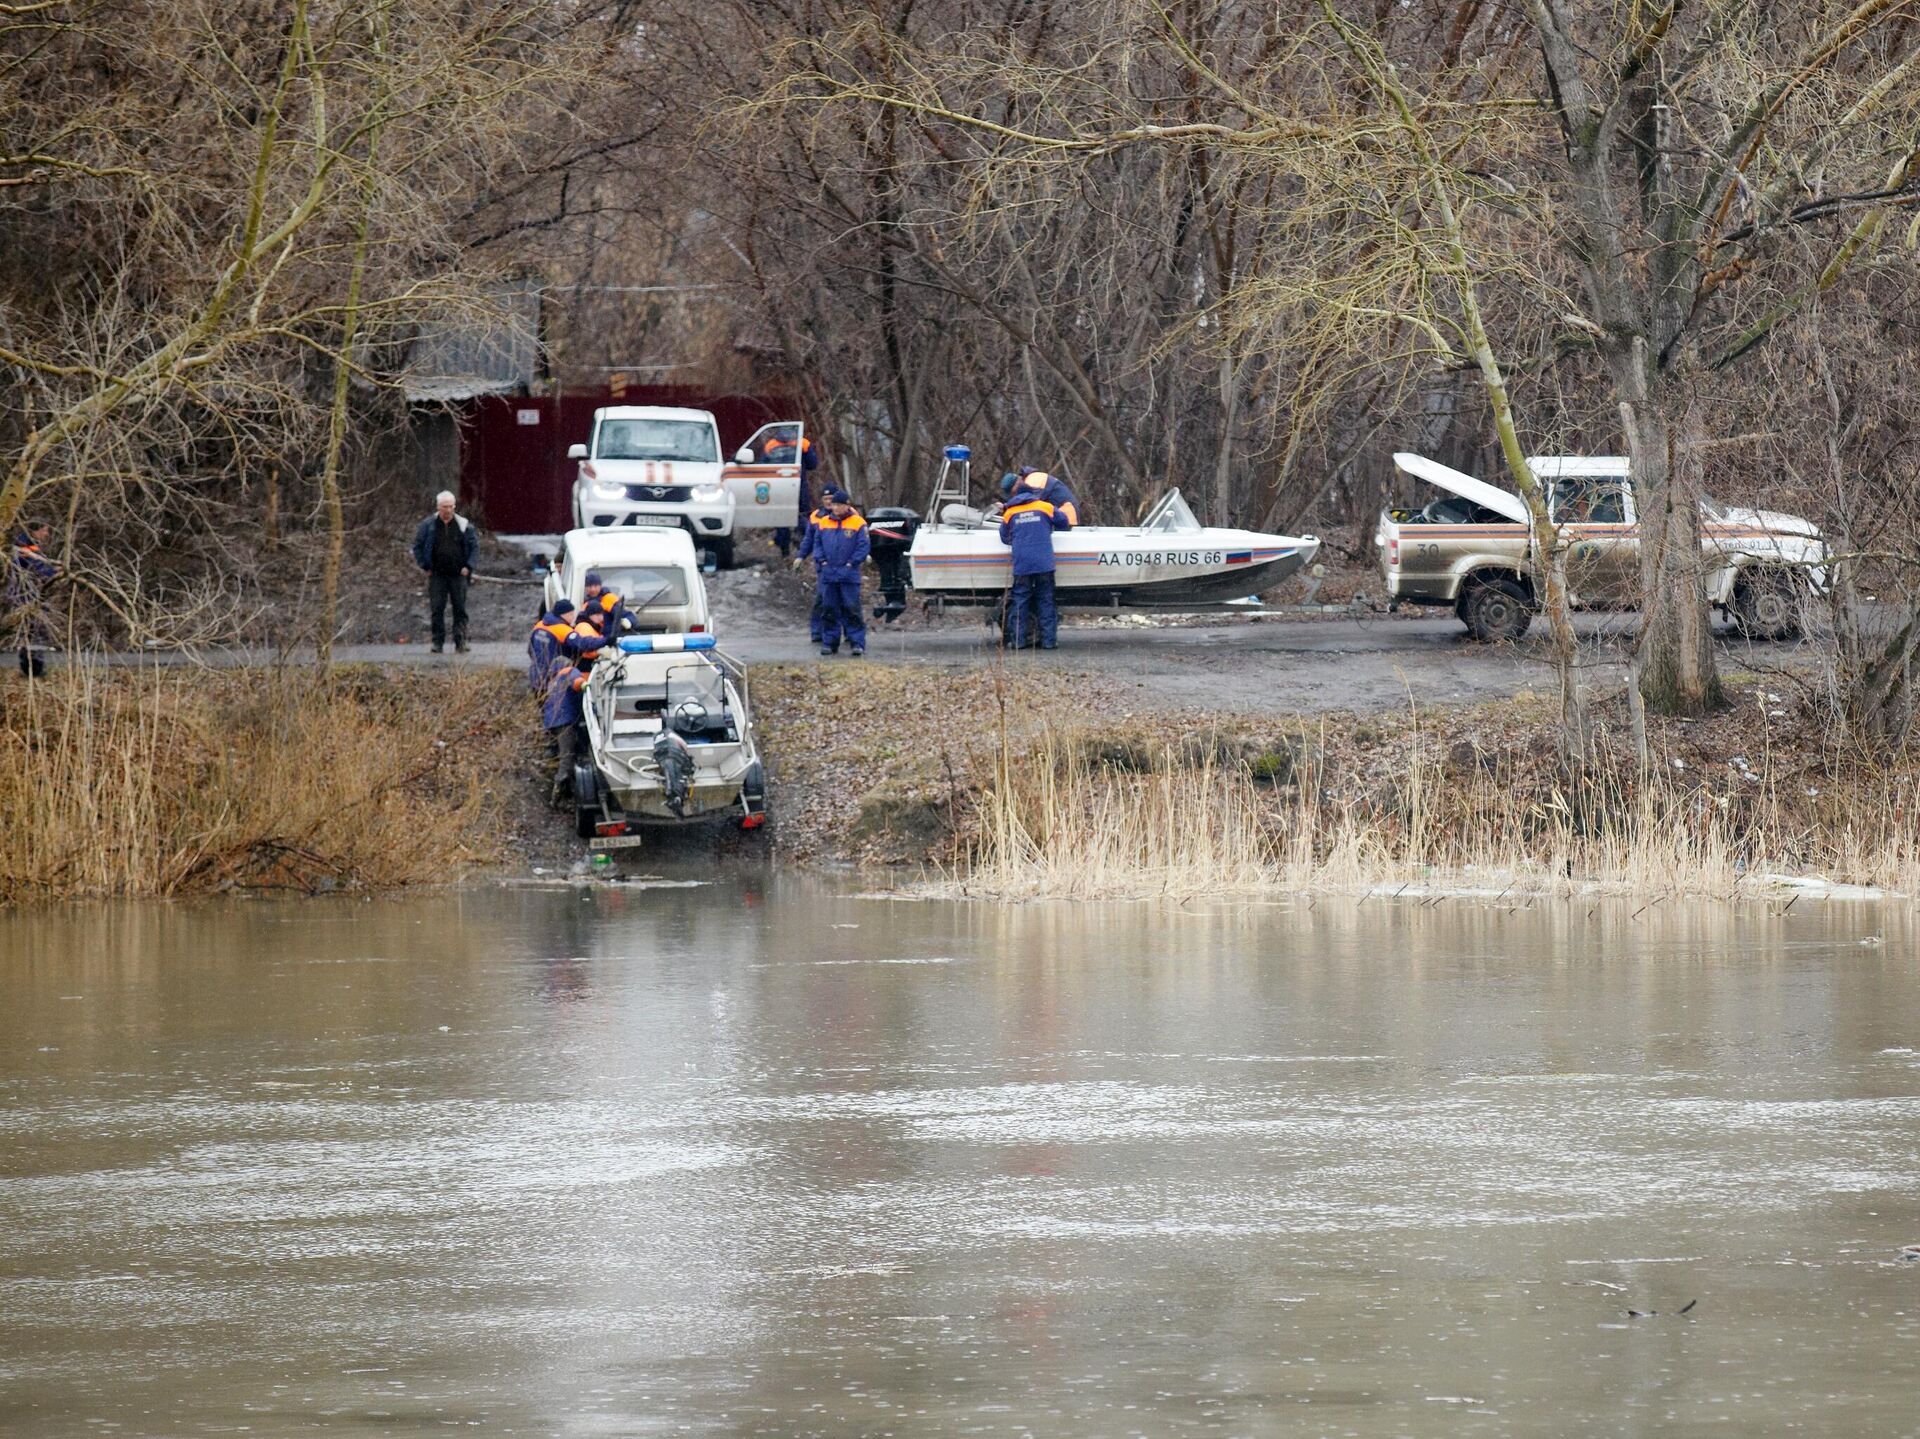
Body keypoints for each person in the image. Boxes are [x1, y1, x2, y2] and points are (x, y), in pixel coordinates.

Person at [1000, 474, 1072, 650]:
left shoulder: (1010, 512)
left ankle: (1018, 642)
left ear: (1013, 495)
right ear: (1033, 493)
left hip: (1022, 564)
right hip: (1044, 563)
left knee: (1020, 601)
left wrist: (1020, 538)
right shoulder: (1045, 507)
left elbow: (1004, 537)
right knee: (1045, 600)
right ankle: (1049, 641)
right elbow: (1064, 523)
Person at [410, 491, 479, 654]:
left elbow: (475, 547)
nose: (447, 510)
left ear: (454, 506)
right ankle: (437, 642)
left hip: (458, 574)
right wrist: (425, 566)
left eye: (450, 507)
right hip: (437, 574)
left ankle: (460, 641)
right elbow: (417, 546)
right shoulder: (428, 525)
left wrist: (468, 566)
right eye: (444, 507)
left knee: (460, 608)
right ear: (438, 507)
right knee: (437, 608)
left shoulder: (463, 525)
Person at [805, 485, 869, 657]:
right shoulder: (823, 523)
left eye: (840, 505)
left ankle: (857, 642)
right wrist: (823, 562)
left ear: (847, 506)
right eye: (834, 505)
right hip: (828, 573)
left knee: (852, 608)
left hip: (849, 574)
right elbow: (816, 544)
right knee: (829, 608)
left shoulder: (857, 523)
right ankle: (829, 642)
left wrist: (851, 564)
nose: (837, 508)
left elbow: (863, 547)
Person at [9, 521, 58, 678]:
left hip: (28, 594)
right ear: (35, 531)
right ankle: (33, 669)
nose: (46, 534)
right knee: (34, 630)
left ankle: (33, 667)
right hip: (25, 595)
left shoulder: (29, 544)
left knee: (34, 631)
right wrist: (52, 572)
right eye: (44, 530)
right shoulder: (24, 546)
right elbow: (35, 567)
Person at [542, 654, 591, 805]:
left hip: (550, 723)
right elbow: (577, 683)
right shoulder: (569, 671)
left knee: (560, 755)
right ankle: (556, 797)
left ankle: (565, 790)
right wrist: (586, 686)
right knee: (567, 758)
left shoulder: (553, 681)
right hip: (564, 722)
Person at [794, 494, 834, 646]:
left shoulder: (849, 515)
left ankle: (850, 635)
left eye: (832, 498)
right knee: (822, 599)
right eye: (826, 499)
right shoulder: (816, 517)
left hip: (845, 566)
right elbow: (809, 540)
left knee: (846, 602)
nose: (829, 502)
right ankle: (818, 632)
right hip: (824, 565)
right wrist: (801, 556)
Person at [527, 598, 577, 694]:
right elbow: (580, 643)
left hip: (536, 674)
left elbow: (530, 649)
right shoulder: (562, 630)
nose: (573, 616)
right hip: (550, 676)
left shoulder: (539, 626)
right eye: (571, 614)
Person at [580, 571, 633, 637]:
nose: (592, 589)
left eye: (595, 586)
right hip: (595, 640)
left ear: (600, 586)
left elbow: (628, 615)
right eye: (589, 586)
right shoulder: (585, 605)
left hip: (611, 638)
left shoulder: (609, 599)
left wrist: (628, 621)